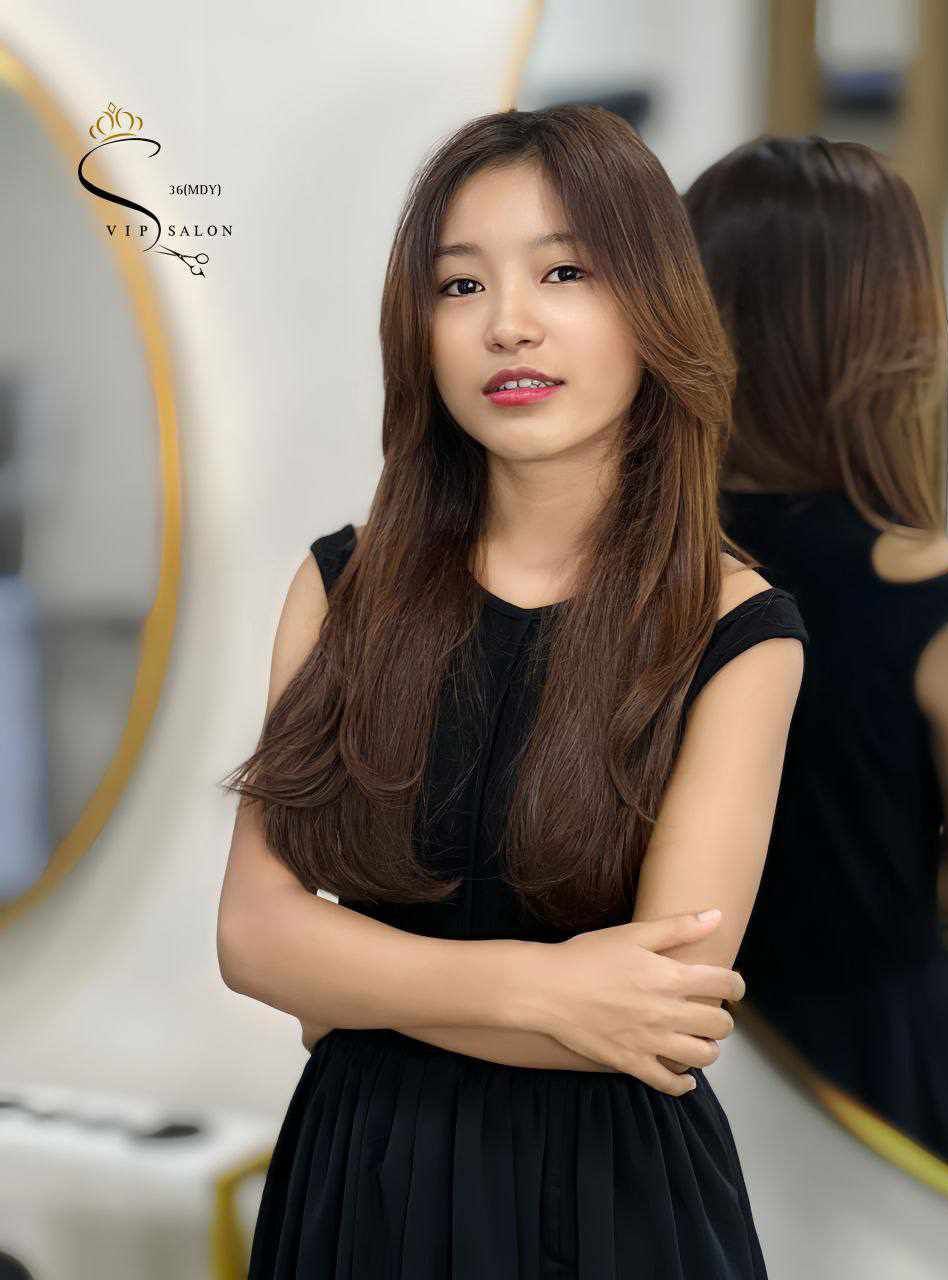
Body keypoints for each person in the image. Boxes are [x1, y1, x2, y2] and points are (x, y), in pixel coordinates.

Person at [217, 105, 808, 1278]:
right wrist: (548, 985)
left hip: (611, 1206)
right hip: (358, 1185)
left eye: (565, 271)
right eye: (460, 285)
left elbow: (657, 1019)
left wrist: (356, 982)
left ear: (653, 305)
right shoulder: (342, 585)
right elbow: (252, 933)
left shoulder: (738, 629)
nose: (509, 323)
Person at [685, 135, 948, 1167]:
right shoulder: (930, 590)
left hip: (647, 1048)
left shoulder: (622, 567)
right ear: (897, 332)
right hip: (864, 1070)